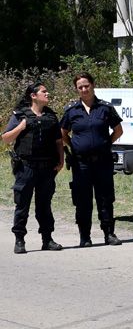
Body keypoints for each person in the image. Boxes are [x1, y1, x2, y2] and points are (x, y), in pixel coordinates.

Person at [60, 72, 123, 247]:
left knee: (105, 198)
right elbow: (63, 133)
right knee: (82, 200)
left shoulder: (105, 108)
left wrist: (105, 143)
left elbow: (118, 131)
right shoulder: (72, 110)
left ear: (93, 85)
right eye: (80, 87)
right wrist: (73, 146)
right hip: (81, 163)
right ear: (76, 89)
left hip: (103, 161)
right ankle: (85, 237)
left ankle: (109, 234)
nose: (84, 89)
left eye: (86, 85)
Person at [2, 82, 65, 254]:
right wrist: (21, 127)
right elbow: (6, 139)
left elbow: (58, 142)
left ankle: (47, 239)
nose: (48, 94)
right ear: (33, 95)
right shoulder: (20, 115)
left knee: (44, 205)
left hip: (47, 167)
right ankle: (20, 240)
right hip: (26, 167)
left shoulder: (51, 116)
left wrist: (61, 159)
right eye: (44, 92)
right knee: (22, 204)